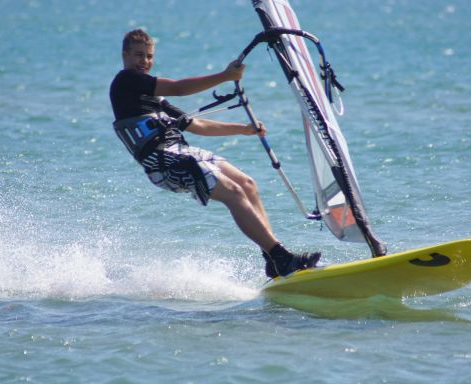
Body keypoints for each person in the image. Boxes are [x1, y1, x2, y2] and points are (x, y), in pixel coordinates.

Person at [109, 29, 321, 278]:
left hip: (182, 152)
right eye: (138, 55)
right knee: (234, 192)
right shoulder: (126, 81)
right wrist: (225, 76)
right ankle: (281, 257)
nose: (144, 61)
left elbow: (197, 125)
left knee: (247, 184)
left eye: (149, 56)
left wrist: (243, 129)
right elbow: (179, 88)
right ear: (124, 55)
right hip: (163, 161)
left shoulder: (155, 99)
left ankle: (272, 260)